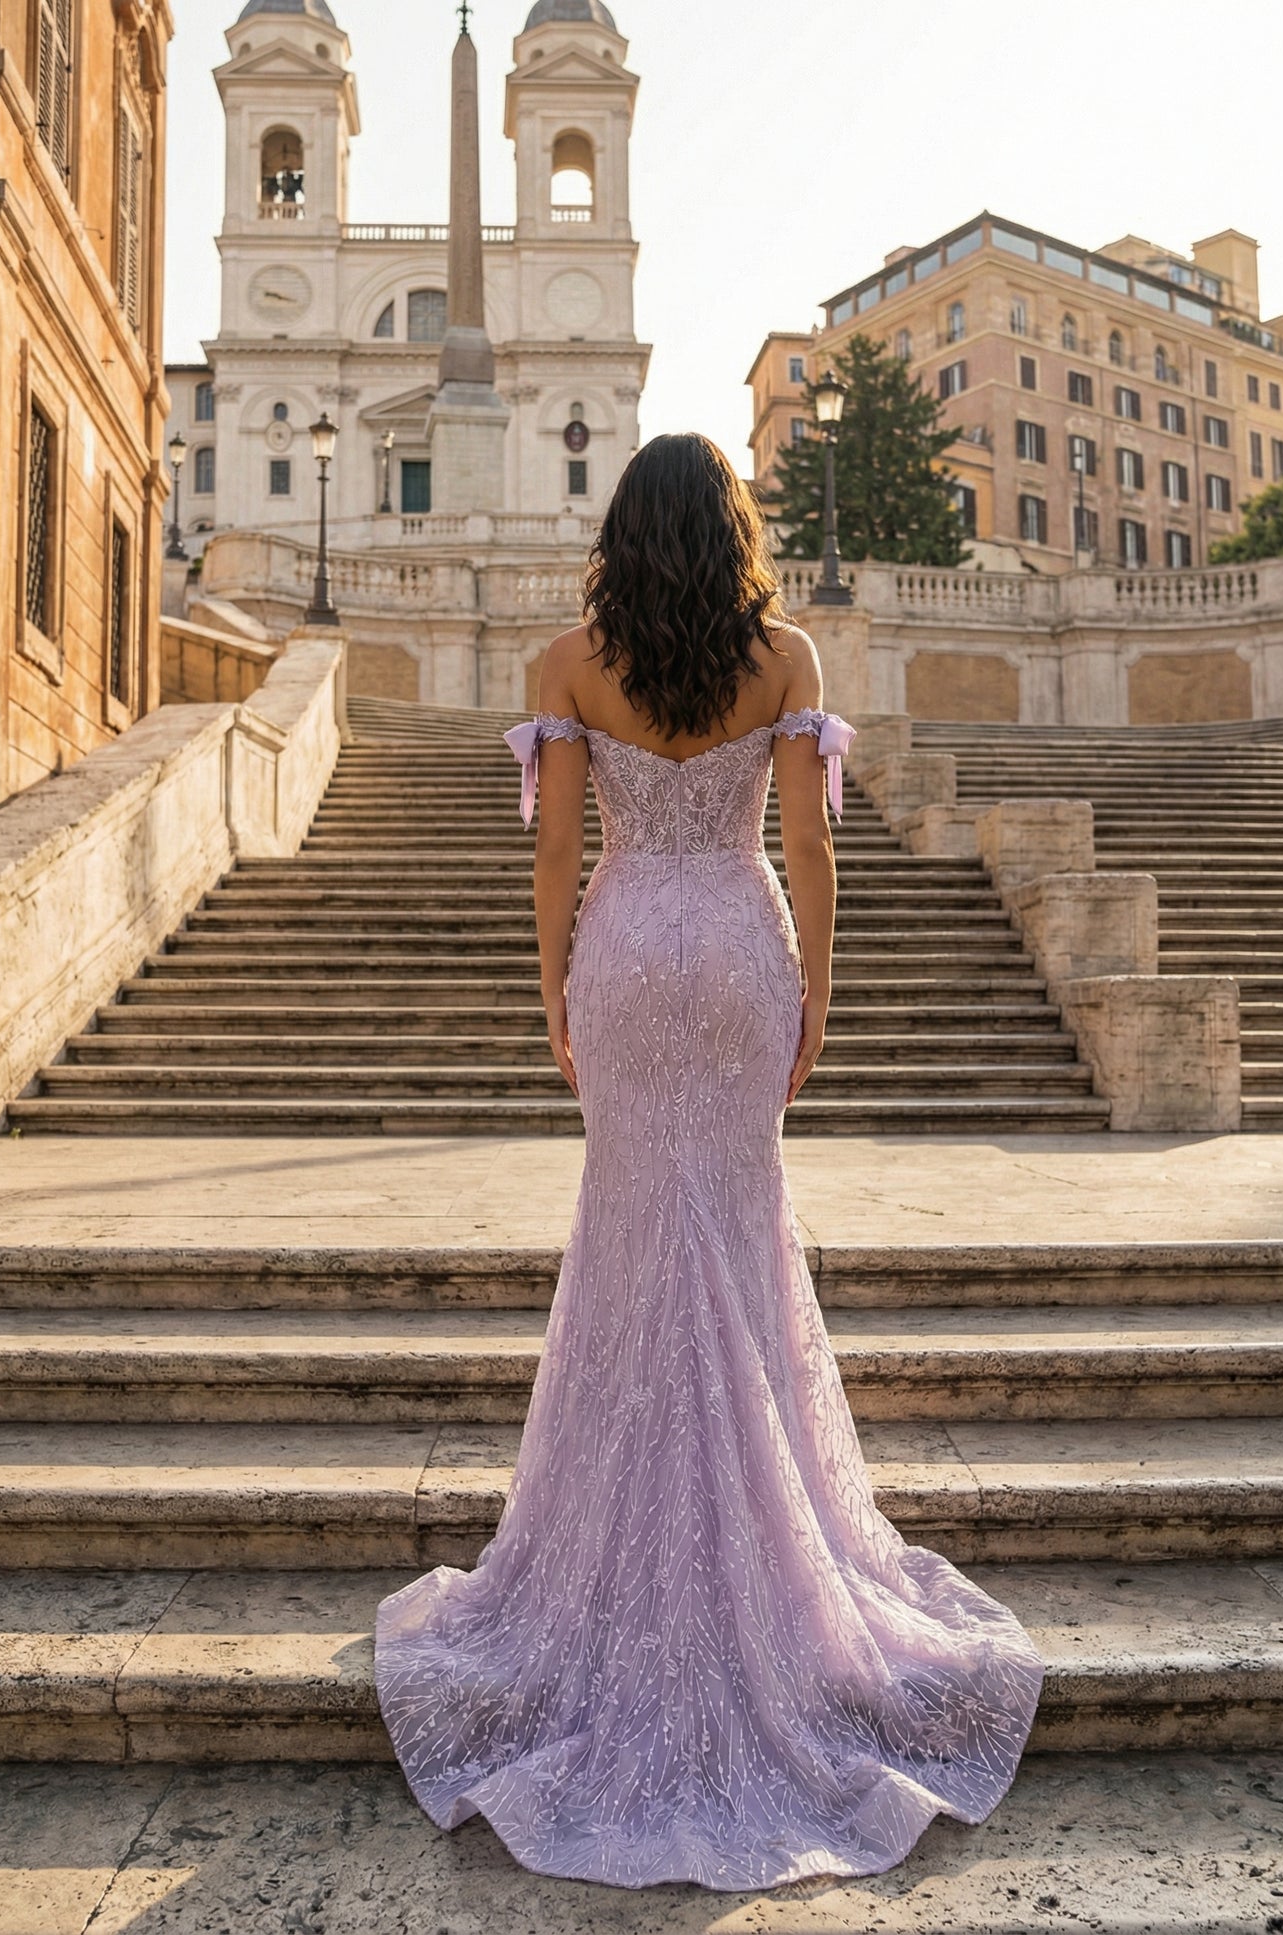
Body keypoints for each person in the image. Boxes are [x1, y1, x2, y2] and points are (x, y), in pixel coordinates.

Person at [375, 432, 1043, 1891]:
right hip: (739, 948)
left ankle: (605, 1567)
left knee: (629, 1238)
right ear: (735, 531)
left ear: (622, 531)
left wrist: (553, 986)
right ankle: (777, 1565)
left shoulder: (566, 663)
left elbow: (555, 856)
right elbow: (809, 850)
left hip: (625, 948)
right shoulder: (786, 658)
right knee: (736, 1234)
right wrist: (819, 986)